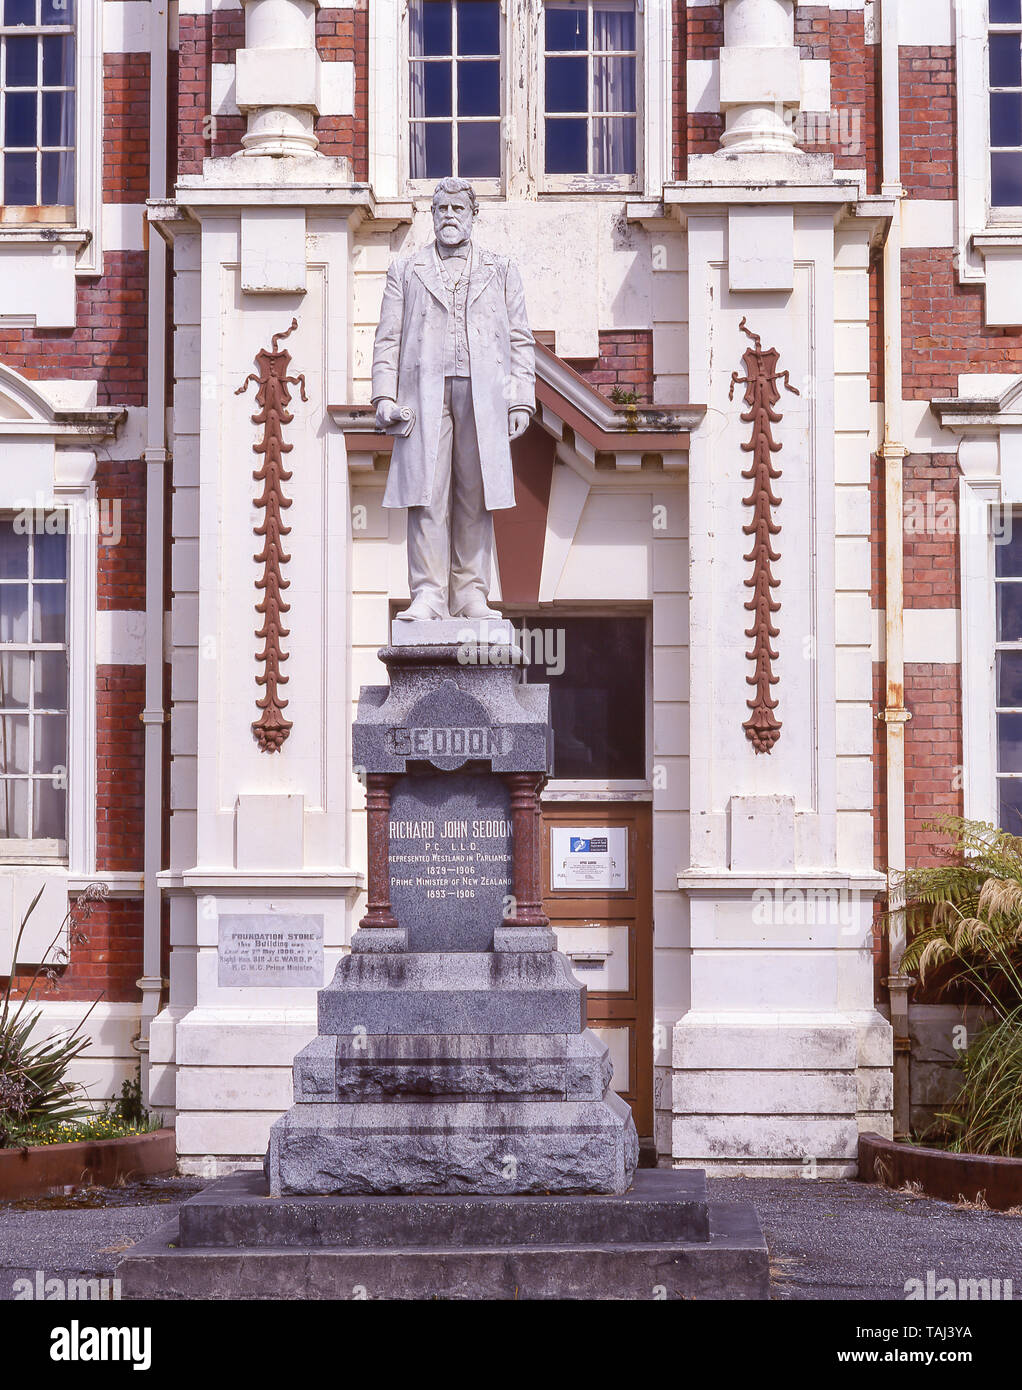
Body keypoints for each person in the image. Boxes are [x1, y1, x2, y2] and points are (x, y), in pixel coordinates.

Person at [370, 178, 536, 621]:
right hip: (422, 394)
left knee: (475, 493)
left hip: (484, 393)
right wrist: (384, 395)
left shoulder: (502, 269)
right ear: (433, 216)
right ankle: (427, 592)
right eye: (441, 208)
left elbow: (520, 340)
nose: (448, 216)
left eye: (457, 209)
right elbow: (387, 338)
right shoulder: (406, 270)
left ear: (473, 216)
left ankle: (470, 594)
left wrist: (520, 399)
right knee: (426, 493)